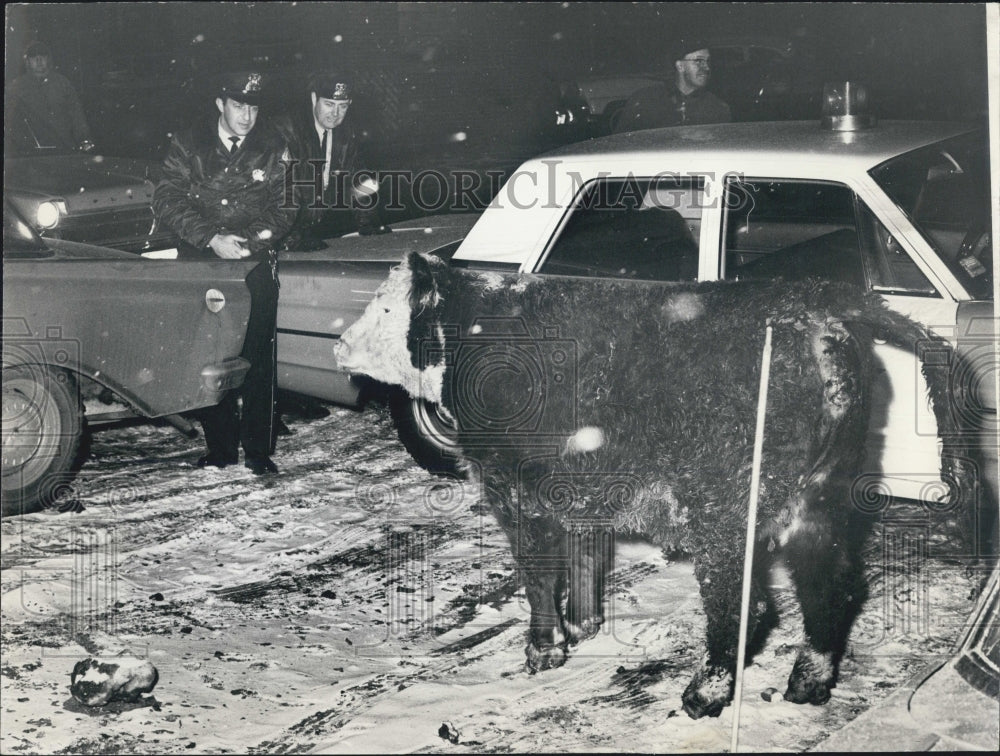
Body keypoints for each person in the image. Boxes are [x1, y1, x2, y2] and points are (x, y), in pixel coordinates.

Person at [152, 71, 293, 475]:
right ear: (220, 104)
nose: (247, 116)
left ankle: (259, 450)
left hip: (253, 264)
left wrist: (248, 241)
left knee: (258, 358)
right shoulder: (188, 143)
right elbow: (167, 198)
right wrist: (211, 237)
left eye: (252, 106)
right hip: (204, 262)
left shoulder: (273, 147)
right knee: (208, 355)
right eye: (237, 105)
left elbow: (286, 207)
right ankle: (220, 448)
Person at [278, 72, 387, 252]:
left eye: (342, 106)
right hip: (279, 232)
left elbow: (358, 179)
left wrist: (368, 222)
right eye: (329, 104)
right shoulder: (286, 131)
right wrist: (291, 236)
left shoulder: (345, 133)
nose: (335, 114)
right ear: (314, 99)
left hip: (313, 229)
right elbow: (277, 190)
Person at [613, 40, 731, 133]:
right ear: (680, 66)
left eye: (708, 61)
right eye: (699, 61)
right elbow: (621, 143)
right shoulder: (645, 100)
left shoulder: (717, 107)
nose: (706, 68)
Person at [8, 41, 94, 151]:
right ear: (27, 61)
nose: (39, 60)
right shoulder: (16, 88)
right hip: (31, 151)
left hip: (63, 147)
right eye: (33, 56)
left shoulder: (62, 83)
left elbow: (77, 114)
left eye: (42, 55)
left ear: (48, 59)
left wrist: (84, 139)